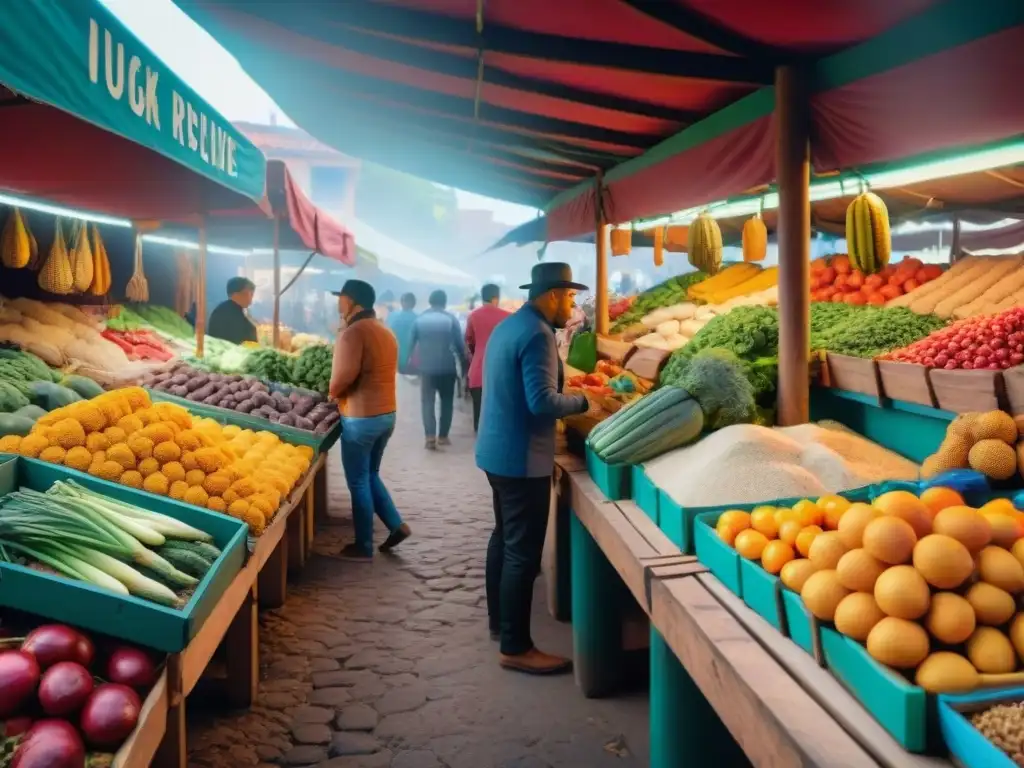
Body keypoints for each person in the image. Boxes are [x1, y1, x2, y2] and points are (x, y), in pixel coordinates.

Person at [476, 263, 600, 675]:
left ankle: (501, 625)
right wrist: (584, 403)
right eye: (567, 297)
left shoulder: (511, 325)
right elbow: (542, 401)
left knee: (504, 538)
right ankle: (515, 646)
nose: (571, 306)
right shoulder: (537, 334)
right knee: (522, 554)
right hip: (520, 456)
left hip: (496, 452)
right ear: (551, 295)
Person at [328, 279, 411, 561]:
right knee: (370, 474)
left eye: (342, 297)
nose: (338, 302)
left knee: (358, 482)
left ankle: (363, 545)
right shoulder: (384, 330)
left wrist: (331, 393)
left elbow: (342, 377)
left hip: (360, 418)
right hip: (387, 415)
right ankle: (396, 525)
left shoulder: (353, 333)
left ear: (352, 302)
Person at [407, 289, 466, 450]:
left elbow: (410, 345)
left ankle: (430, 437)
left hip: (426, 368)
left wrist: (409, 364)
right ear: (444, 302)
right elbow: (460, 346)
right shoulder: (451, 319)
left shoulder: (420, 320)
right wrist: (464, 365)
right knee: (447, 402)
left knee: (427, 402)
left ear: (430, 301)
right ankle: (443, 436)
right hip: (447, 367)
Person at [465, 283, 509, 433]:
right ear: (496, 298)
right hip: (501, 374)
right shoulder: (507, 317)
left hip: (477, 373)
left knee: (479, 414)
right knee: (500, 415)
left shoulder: (473, 316)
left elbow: (469, 342)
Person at [207, 277, 258, 345]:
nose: (251, 299)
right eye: (250, 294)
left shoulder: (230, 309)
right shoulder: (227, 313)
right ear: (237, 294)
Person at [387, 293, 419, 382]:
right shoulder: (418, 318)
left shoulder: (392, 316)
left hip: (392, 358)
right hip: (410, 361)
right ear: (414, 304)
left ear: (401, 302)